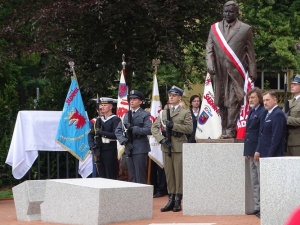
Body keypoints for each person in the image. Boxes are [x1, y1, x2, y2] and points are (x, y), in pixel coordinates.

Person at [206, 1, 257, 138]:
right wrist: (210, 64)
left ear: (236, 13)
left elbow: (250, 52)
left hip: (236, 72)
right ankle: (223, 129)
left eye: (230, 12)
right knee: (221, 101)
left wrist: (252, 72)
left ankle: (230, 130)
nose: (227, 14)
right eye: (225, 11)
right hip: (220, 72)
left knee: (234, 100)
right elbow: (209, 49)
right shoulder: (215, 28)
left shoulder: (245, 29)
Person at [151, 85, 193, 212]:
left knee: (178, 175)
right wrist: (161, 139)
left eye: (174, 95)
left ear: (179, 97)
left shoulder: (185, 112)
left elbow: (189, 129)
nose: (171, 97)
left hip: (178, 146)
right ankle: (170, 199)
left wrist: (173, 125)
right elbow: (154, 128)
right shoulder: (163, 113)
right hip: (166, 146)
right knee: (169, 175)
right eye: (170, 95)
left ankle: (178, 200)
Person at [115, 90, 152, 184]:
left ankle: (141, 197)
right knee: (131, 175)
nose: (132, 101)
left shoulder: (145, 114)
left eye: (135, 99)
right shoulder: (126, 115)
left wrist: (133, 128)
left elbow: (149, 130)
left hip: (140, 147)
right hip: (128, 146)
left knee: (140, 175)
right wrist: (124, 141)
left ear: (140, 101)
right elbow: (118, 130)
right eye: (130, 99)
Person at [243, 87, 266, 218]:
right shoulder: (252, 111)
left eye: (253, 97)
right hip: (250, 151)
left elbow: (261, 133)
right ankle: (257, 207)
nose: (250, 100)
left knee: (260, 179)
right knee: (254, 181)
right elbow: (249, 133)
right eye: (249, 98)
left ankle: (263, 207)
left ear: (260, 99)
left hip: (258, 151)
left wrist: (258, 150)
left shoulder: (262, 111)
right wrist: (247, 151)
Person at [88, 97, 121, 179]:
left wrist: (102, 133)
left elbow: (116, 134)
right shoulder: (98, 120)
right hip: (100, 149)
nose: (102, 107)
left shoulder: (115, 119)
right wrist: (92, 146)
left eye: (105, 105)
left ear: (110, 107)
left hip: (110, 149)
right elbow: (90, 134)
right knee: (101, 174)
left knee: (110, 173)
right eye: (101, 105)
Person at [285, 74, 300, 156]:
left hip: (298, 142)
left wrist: (287, 119)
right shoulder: (289, 102)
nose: (292, 86)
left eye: (295, 84)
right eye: (292, 84)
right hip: (287, 141)